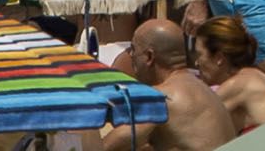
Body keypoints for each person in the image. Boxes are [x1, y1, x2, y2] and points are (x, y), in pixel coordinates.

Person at [99, 22, 231, 151]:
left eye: (133, 50)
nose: (131, 55)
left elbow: (107, 146)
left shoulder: (160, 96)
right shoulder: (201, 88)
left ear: (149, 57)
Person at [189, 16, 265, 134]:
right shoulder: (255, 77)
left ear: (219, 58)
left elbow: (192, 126)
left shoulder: (238, 85)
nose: (196, 62)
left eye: (199, 55)